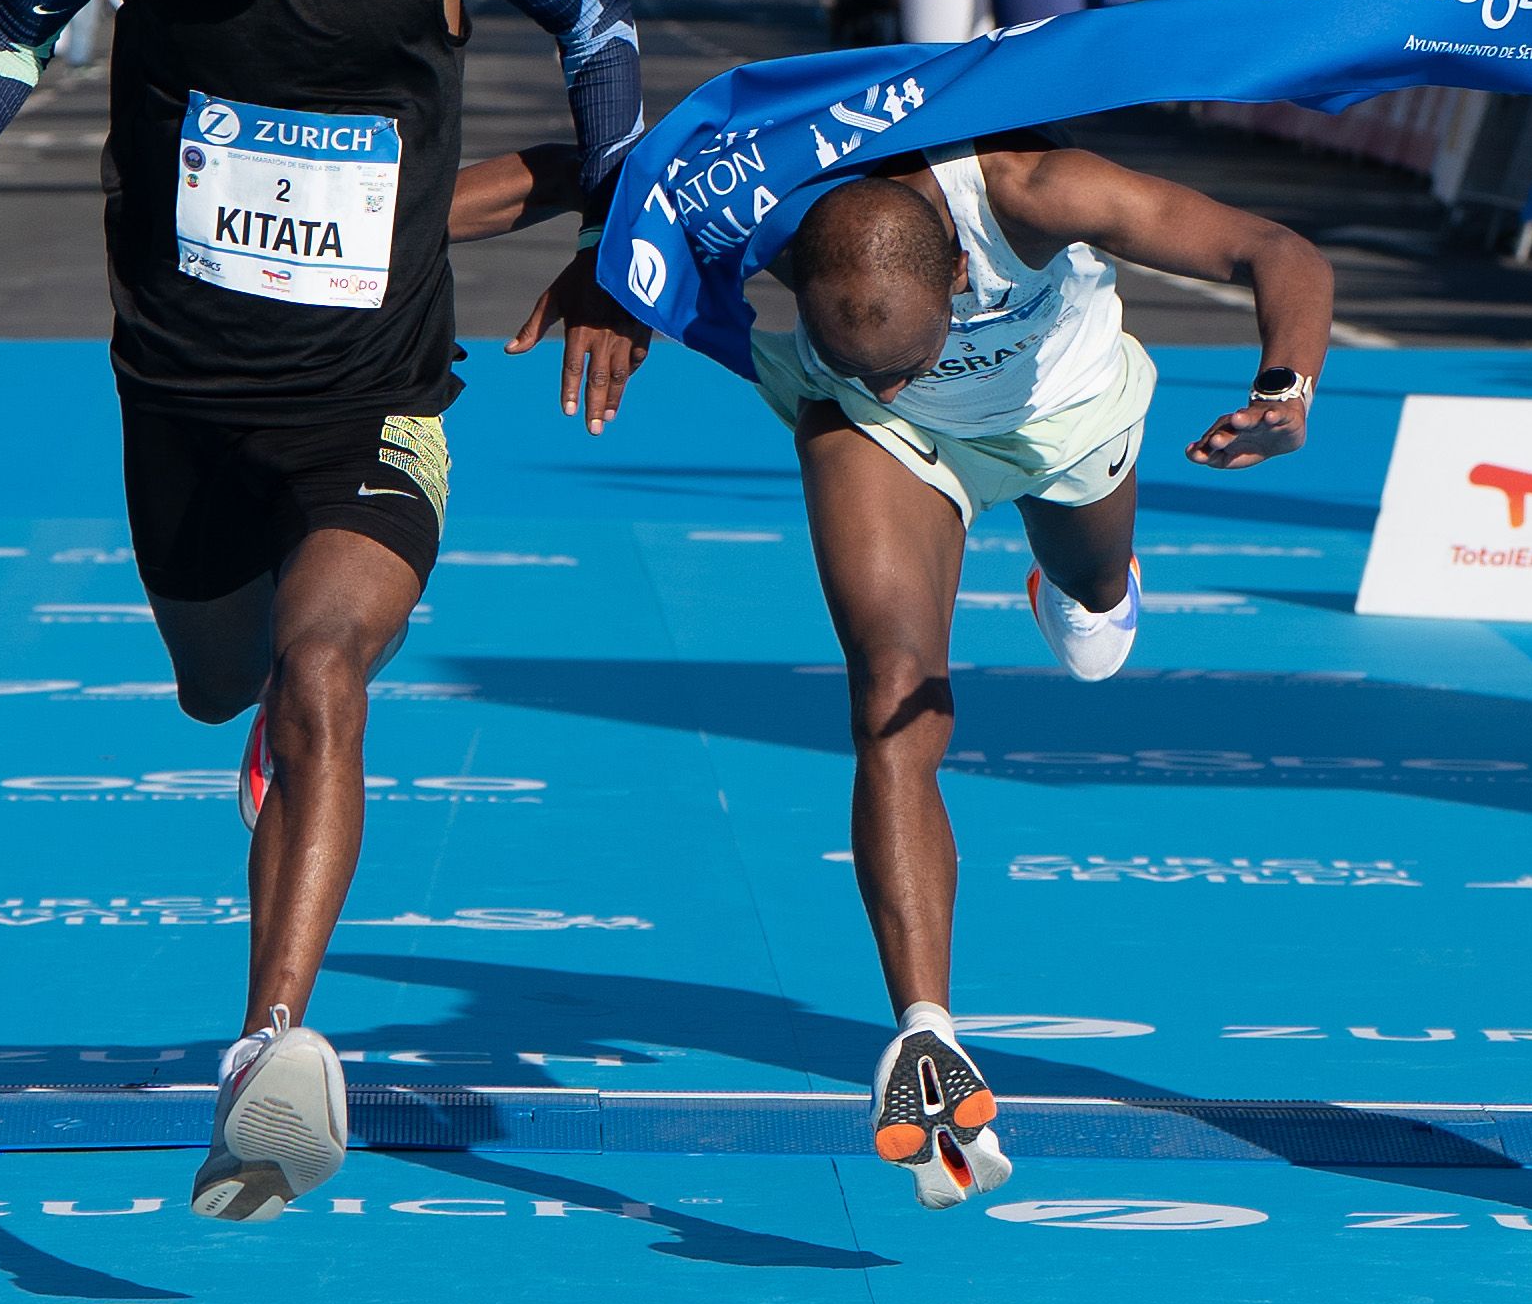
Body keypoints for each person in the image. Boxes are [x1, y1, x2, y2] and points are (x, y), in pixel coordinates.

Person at [0, 0, 650, 1225]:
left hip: (374, 399)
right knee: (224, 679)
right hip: (178, 396)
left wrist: (619, 234)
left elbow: (598, 23)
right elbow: (26, 11)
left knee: (321, 677)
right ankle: (258, 721)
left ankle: (272, 1050)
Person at [450, 129, 1332, 1208]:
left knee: (1095, 627)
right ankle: (928, 1031)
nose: (899, 363)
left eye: (909, 349)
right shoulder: (766, 205)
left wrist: (1287, 386)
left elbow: (1275, 248)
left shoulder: (1034, 190)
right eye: (859, 344)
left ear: (960, 272)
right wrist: (607, 259)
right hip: (877, 435)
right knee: (892, 694)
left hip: (1063, 416)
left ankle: (1086, 583)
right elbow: (594, 162)